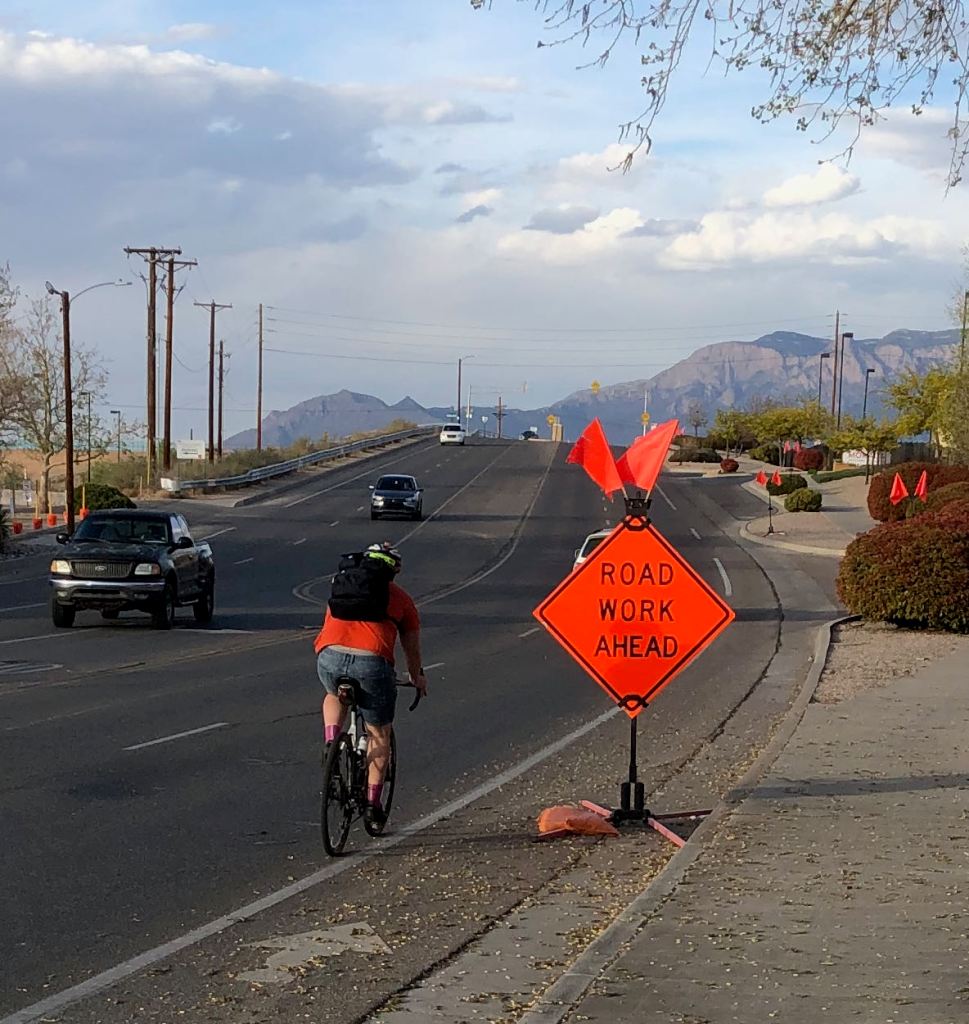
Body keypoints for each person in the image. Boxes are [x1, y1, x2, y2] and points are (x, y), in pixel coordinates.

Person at [314, 542, 428, 827]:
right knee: (379, 733)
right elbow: (411, 649)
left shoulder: (342, 586)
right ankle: (372, 804)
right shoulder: (401, 600)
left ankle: (331, 742)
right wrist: (416, 676)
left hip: (329, 656)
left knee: (332, 694)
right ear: (394, 572)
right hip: (371, 663)